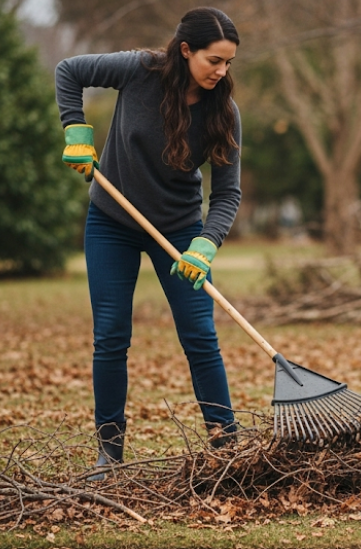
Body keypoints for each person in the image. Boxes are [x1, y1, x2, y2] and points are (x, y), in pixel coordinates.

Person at [54, 7, 242, 480]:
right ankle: (109, 453)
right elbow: (68, 71)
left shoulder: (224, 111)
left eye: (228, 63)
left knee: (200, 336)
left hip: (179, 231)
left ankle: (226, 446)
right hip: (111, 221)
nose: (221, 71)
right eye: (213, 60)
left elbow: (227, 193)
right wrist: (75, 126)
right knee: (111, 336)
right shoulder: (139, 71)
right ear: (185, 50)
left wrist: (206, 244)